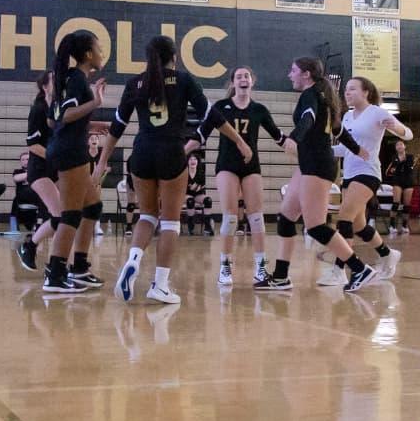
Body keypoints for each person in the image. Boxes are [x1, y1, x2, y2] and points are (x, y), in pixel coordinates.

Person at [92, 35, 252, 305]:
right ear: (174, 57)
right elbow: (213, 117)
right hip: (171, 153)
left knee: (146, 216)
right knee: (169, 222)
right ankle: (160, 285)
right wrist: (239, 141)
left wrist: (101, 163)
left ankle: (133, 260)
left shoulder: (135, 83)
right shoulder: (184, 80)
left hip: (141, 153)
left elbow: (116, 128)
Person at [257, 58, 378, 293]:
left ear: (306, 74)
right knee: (286, 217)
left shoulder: (310, 96)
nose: (289, 74)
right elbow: (338, 129)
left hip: (316, 165)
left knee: (315, 226)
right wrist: (356, 150)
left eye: (293, 70)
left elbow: (308, 118)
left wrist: (295, 137)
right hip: (309, 164)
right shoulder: (323, 97)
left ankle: (359, 269)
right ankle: (281, 276)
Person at [317, 77, 411, 287]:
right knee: (358, 224)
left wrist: (397, 129)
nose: (347, 93)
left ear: (366, 92)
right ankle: (387, 254)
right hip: (349, 174)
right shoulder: (347, 117)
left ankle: (341, 271)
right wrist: (319, 151)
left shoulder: (377, 112)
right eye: (346, 90)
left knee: (344, 218)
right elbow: (345, 148)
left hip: (368, 173)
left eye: (352, 89)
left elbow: (409, 134)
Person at [196, 66, 285, 285]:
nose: (243, 79)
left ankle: (260, 266)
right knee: (231, 215)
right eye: (239, 76)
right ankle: (225, 264)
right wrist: (184, 149)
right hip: (227, 165)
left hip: (251, 165)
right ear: (233, 83)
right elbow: (201, 133)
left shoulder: (259, 110)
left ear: (252, 81)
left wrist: (299, 147)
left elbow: (278, 136)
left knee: (256, 216)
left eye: (246, 76)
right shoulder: (221, 107)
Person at [42, 31, 107, 292]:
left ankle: (79, 268)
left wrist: (90, 124)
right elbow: (66, 115)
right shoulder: (78, 79)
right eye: (99, 49)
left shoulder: (67, 78)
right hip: (70, 151)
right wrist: (96, 102)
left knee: (93, 208)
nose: (102, 54)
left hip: (66, 145)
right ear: (89, 55)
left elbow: (51, 120)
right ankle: (55, 275)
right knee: (71, 214)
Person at [17, 71, 61, 271]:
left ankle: (33, 248)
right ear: (45, 86)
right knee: (61, 217)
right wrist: (55, 157)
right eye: (54, 81)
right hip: (39, 169)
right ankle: (31, 247)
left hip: (54, 169)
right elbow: (33, 145)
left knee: (65, 217)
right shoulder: (38, 109)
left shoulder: (57, 108)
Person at [384, 140, 415, 234]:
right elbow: (391, 170)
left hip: (408, 181)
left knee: (406, 205)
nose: (399, 146)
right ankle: (392, 225)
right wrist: (398, 164)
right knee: (396, 203)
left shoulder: (410, 157)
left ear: (405, 146)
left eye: (401, 144)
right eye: (397, 145)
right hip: (397, 180)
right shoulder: (394, 157)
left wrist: (399, 163)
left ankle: (404, 225)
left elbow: (409, 166)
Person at [11, 152, 43, 232]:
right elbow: (16, 178)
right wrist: (33, 171)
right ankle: (14, 228)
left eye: (28, 159)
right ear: (20, 161)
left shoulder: (38, 171)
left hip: (36, 198)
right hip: (22, 198)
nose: (25, 161)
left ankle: (39, 224)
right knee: (15, 200)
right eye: (23, 159)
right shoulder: (17, 171)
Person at [184, 153, 213, 236]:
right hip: (186, 194)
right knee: (190, 201)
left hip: (197, 194)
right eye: (190, 159)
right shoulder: (184, 173)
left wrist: (194, 187)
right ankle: (190, 225)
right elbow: (184, 188)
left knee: (208, 200)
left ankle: (207, 226)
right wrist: (194, 187)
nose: (193, 161)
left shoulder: (201, 173)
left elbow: (200, 187)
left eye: (195, 159)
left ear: (198, 162)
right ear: (187, 161)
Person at [87, 133, 105, 236]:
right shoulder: (84, 153)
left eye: (96, 138)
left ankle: (97, 226)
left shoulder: (102, 154)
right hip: (84, 181)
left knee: (96, 203)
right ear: (88, 142)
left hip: (97, 182)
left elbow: (103, 168)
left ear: (98, 142)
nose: (94, 140)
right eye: (91, 138)